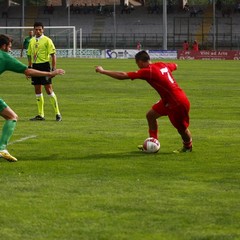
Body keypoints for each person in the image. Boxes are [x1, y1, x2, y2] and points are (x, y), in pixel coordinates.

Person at [95, 50, 192, 153]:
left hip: (177, 103)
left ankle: (188, 147)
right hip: (169, 100)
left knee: (181, 129)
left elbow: (123, 75)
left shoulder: (148, 71)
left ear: (140, 62)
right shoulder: (161, 64)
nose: (138, 66)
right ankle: (153, 143)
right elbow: (175, 65)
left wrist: (103, 71)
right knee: (151, 115)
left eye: (137, 64)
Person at [0, 34, 65, 162]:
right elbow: (28, 71)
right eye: (10, 46)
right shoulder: (5, 57)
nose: (10, 49)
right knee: (11, 117)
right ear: (3, 46)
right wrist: (50, 73)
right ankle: (2, 148)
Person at [27, 22, 62, 121]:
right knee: (37, 90)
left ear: (43, 30)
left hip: (45, 66)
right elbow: (29, 54)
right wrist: (29, 67)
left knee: (48, 90)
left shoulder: (47, 40)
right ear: (34, 30)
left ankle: (57, 113)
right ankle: (40, 114)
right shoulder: (31, 41)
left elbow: (53, 55)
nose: (38, 31)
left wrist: (54, 69)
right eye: (36, 29)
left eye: (40, 29)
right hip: (35, 66)